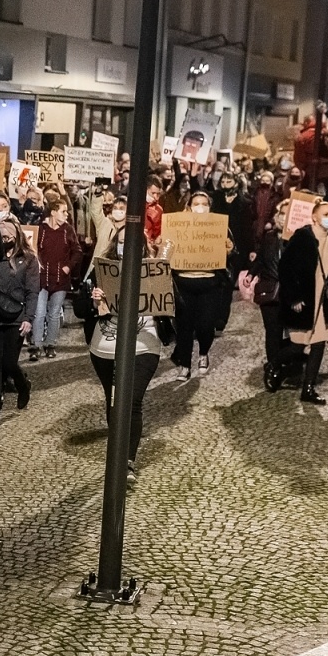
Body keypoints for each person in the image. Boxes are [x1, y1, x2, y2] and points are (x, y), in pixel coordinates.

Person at [86, 250, 174, 475]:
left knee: (132, 401)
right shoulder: (105, 271)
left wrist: (166, 286)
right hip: (104, 349)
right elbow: (80, 308)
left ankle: (126, 460)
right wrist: (94, 301)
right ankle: (117, 451)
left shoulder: (156, 272)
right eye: (122, 241)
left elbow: (177, 307)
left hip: (144, 347)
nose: (126, 246)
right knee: (113, 401)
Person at [278, 200, 328, 406]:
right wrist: (294, 297)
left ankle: (309, 387)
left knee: (318, 344)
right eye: (326, 214)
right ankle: (273, 364)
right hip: (306, 298)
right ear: (314, 217)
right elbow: (285, 268)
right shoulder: (302, 237)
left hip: (323, 301)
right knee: (298, 345)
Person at [0, 217, 39, 424]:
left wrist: (29, 318)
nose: (5, 240)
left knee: (9, 362)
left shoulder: (28, 259)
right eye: (1, 237)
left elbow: (32, 292)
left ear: (16, 235)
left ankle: (22, 384)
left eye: (8, 236)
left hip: (16, 317)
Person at [168, 191, 231, 381]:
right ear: (189, 206)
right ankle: (184, 365)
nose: (200, 207)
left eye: (204, 203)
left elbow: (230, 251)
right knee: (184, 327)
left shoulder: (219, 227)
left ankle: (204, 352)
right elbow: (168, 249)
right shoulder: (178, 226)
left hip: (209, 283)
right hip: (184, 283)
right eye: (196, 203)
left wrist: (229, 249)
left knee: (205, 325)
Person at [32, 198, 82, 360]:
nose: (67, 214)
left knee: (53, 313)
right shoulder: (42, 229)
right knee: (39, 313)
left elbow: (77, 251)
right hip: (42, 277)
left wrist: (68, 266)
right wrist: (37, 263)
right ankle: (36, 345)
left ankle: (50, 344)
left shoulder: (68, 230)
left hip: (60, 278)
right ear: (53, 212)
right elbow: (32, 248)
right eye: (63, 211)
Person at [253, 203, 289, 392]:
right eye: (281, 213)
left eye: (288, 214)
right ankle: (273, 369)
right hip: (270, 290)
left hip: (291, 293)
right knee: (273, 331)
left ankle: (282, 363)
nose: (284, 217)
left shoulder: (300, 239)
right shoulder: (268, 238)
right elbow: (260, 259)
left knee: (292, 334)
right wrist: (251, 274)